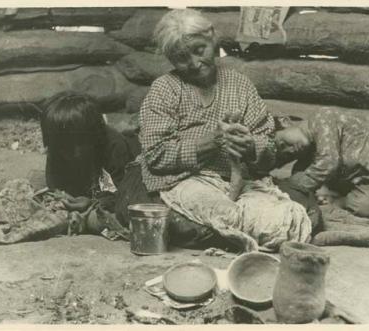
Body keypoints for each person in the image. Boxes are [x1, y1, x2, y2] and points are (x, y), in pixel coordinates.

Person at [130, 9, 314, 252]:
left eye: (199, 50)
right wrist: (212, 141)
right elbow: (155, 156)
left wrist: (251, 147)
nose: (195, 63)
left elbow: (268, 148)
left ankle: (240, 232)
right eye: (182, 58)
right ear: (170, 59)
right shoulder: (165, 89)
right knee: (227, 215)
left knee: (295, 212)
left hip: (237, 181)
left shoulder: (239, 85)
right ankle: (247, 232)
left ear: (212, 37)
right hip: (185, 181)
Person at [274, 110, 369, 218]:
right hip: (360, 183)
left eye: (283, 143)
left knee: (361, 206)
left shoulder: (322, 119)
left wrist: (291, 187)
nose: (290, 150)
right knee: (302, 176)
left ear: (285, 121)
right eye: (287, 154)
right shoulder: (308, 149)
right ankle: (337, 198)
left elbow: (329, 162)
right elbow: (302, 170)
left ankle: (338, 201)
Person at [41, 91, 140, 210]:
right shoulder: (57, 147)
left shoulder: (114, 146)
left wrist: (93, 203)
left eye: (77, 144)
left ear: (93, 136)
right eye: (62, 147)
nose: (69, 153)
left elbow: (121, 193)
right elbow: (55, 185)